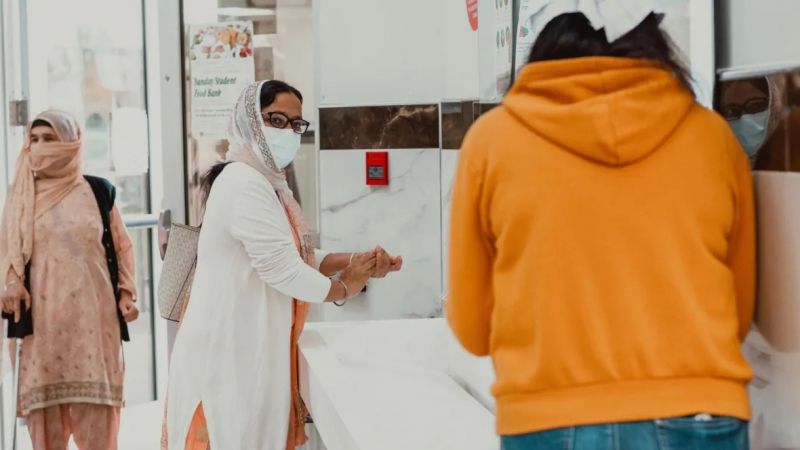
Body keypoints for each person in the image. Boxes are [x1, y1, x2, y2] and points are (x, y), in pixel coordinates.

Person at [446, 6, 755, 450]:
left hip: (547, 419)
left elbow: (473, 329)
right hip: (698, 414)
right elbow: (739, 315)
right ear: (654, 42)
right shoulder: (712, 138)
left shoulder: (491, 142)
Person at [166, 80, 402, 450]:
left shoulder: (271, 185)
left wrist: (355, 261)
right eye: (276, 119)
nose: (288, 132)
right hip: (227, 358)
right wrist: (345, 287)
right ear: (248, 121)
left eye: (296, 124)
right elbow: (283, 270)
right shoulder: (244, 183)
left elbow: (294, 254)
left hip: (252, 351)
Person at [0, 110, 139, 450]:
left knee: (99, 428)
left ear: (71, 142)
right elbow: (8, 248)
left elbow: (121, 246)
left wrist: (127, 293)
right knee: (46, 428)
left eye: (50, 139)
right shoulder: (22, 195)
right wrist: (10, 282)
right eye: (34, 139)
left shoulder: (97, 191)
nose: (40, 146)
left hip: (95, 323)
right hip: (42, 329)